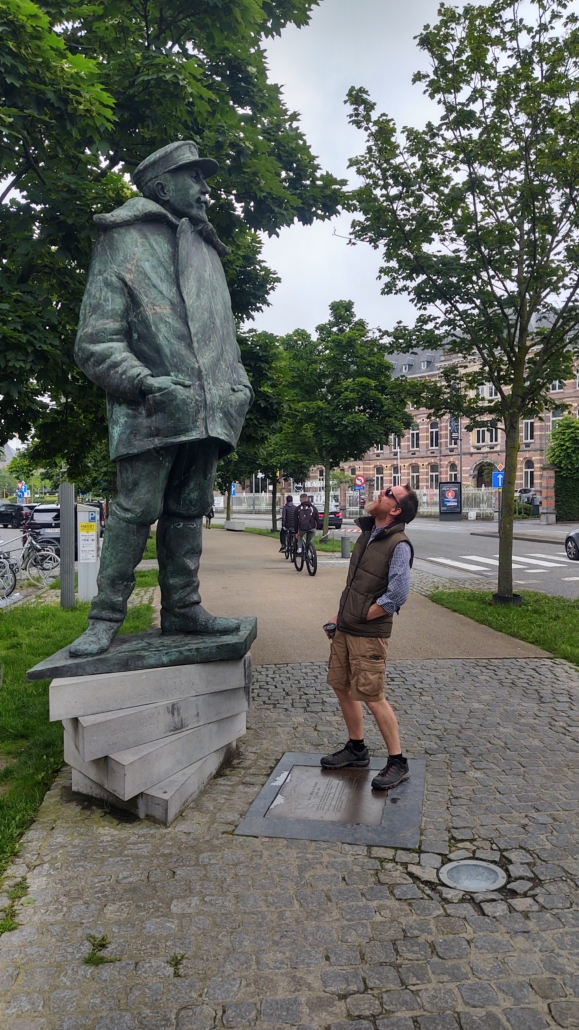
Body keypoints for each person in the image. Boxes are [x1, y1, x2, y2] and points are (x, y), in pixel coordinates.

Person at [69, 140, 254, 657]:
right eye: (193, 177)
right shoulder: (122, 241)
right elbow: (95, 341)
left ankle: (184, 608)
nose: (205, 188)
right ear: (160, 186)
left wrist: (239, 384)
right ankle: (105, 615)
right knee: (136, 509)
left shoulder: (206, 249)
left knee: (190, 509)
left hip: (211, 406)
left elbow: (224, 335)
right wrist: (145, 382)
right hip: (150, 409)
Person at [322, 483, 419, 790]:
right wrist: (341, 617)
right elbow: (356, 586)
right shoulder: (367, 535)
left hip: (369, 634)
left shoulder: (398, 544)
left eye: (390, 493)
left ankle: (398, 761)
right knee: (341, 686)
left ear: (395, 510)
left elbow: (397, 594)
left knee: (372, 696)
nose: (382, 492)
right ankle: (356, 749)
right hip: (347, 628)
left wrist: (366, 614)